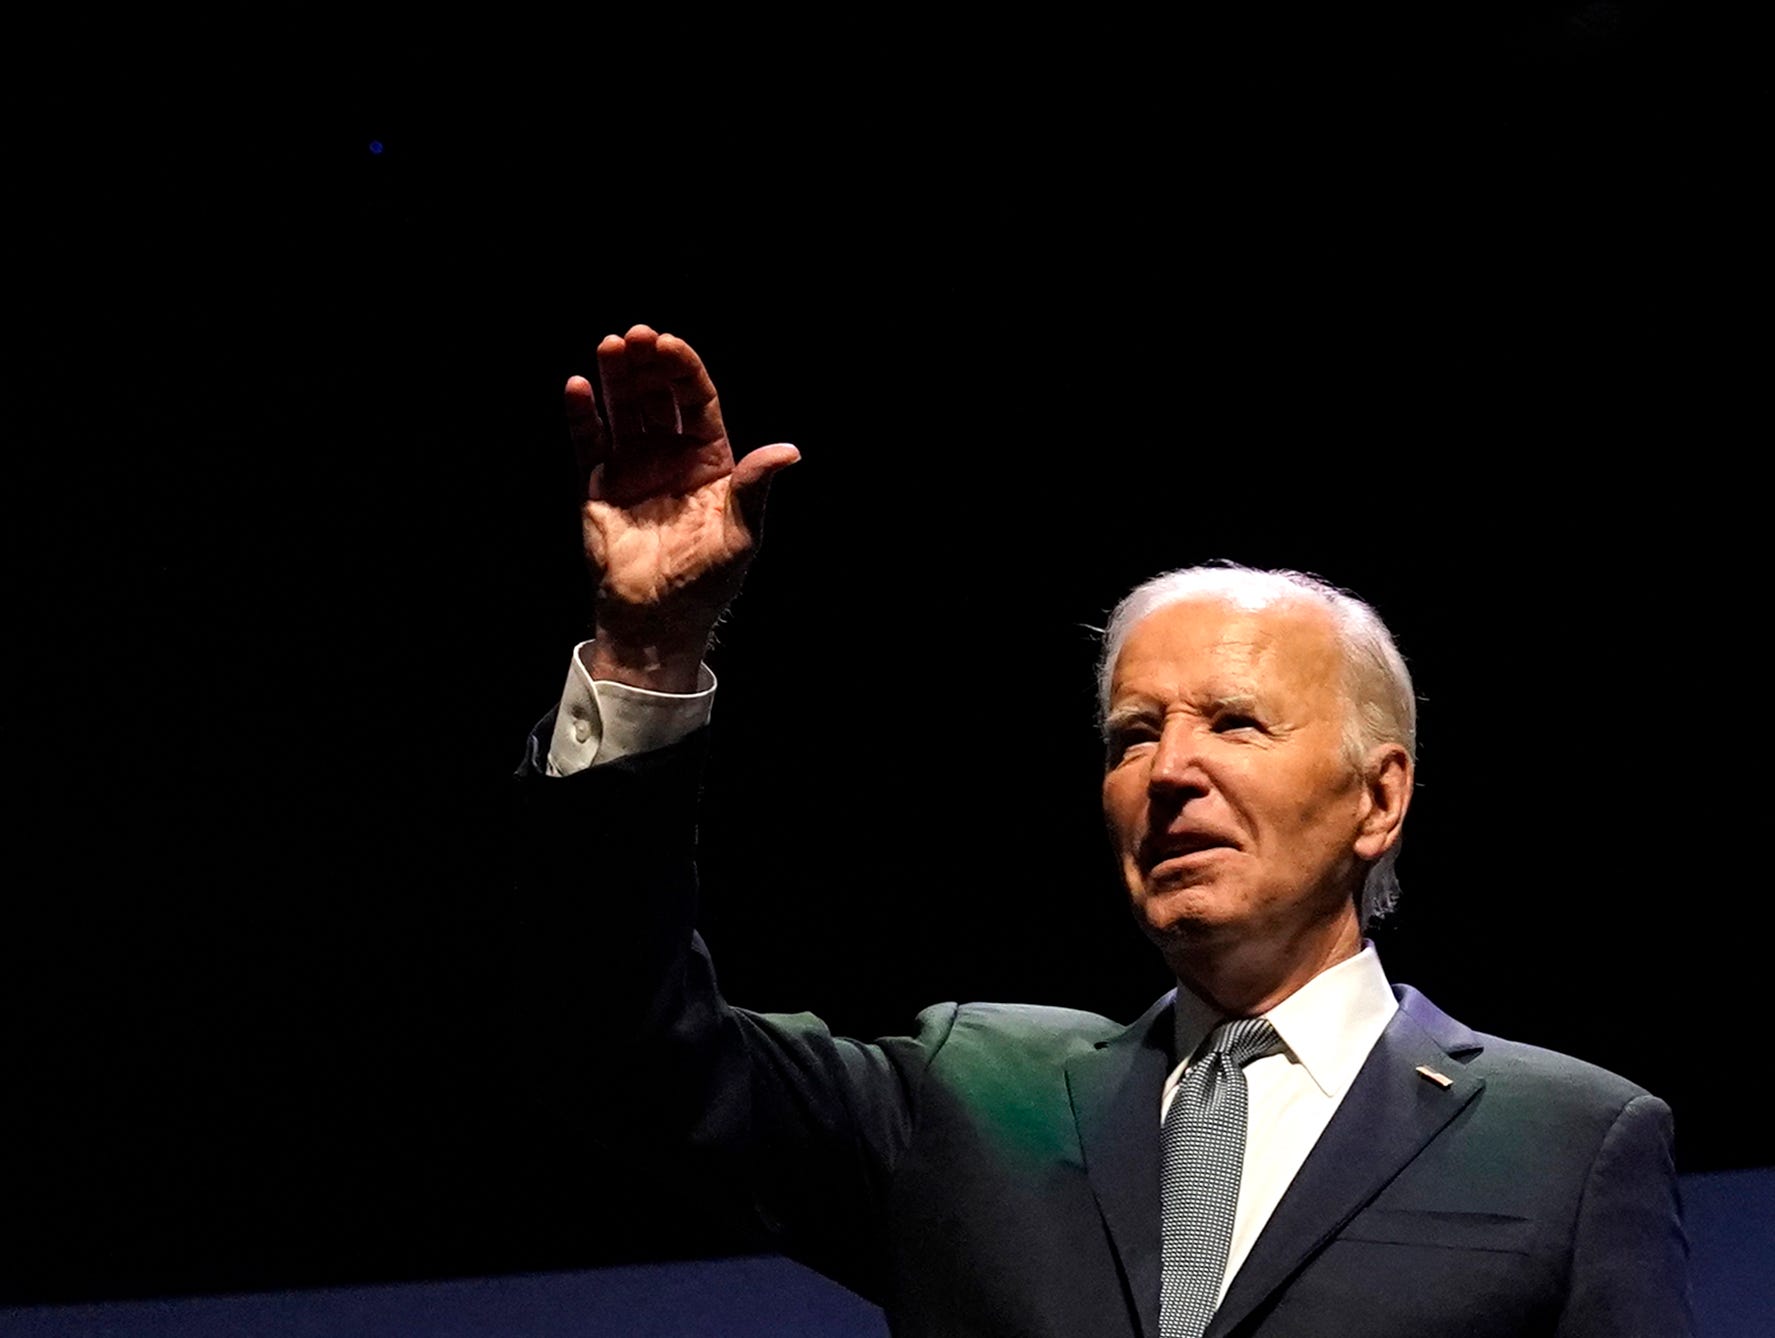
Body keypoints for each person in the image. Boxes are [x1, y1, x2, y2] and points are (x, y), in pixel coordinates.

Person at [513, 325, 1692, 1337]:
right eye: (1133, 735)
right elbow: (619, 1047)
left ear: (1378, 800)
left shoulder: (1572, 1141)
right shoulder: (973, 1102)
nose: (1170, 770)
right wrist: (646, 655)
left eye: (1234, 724)